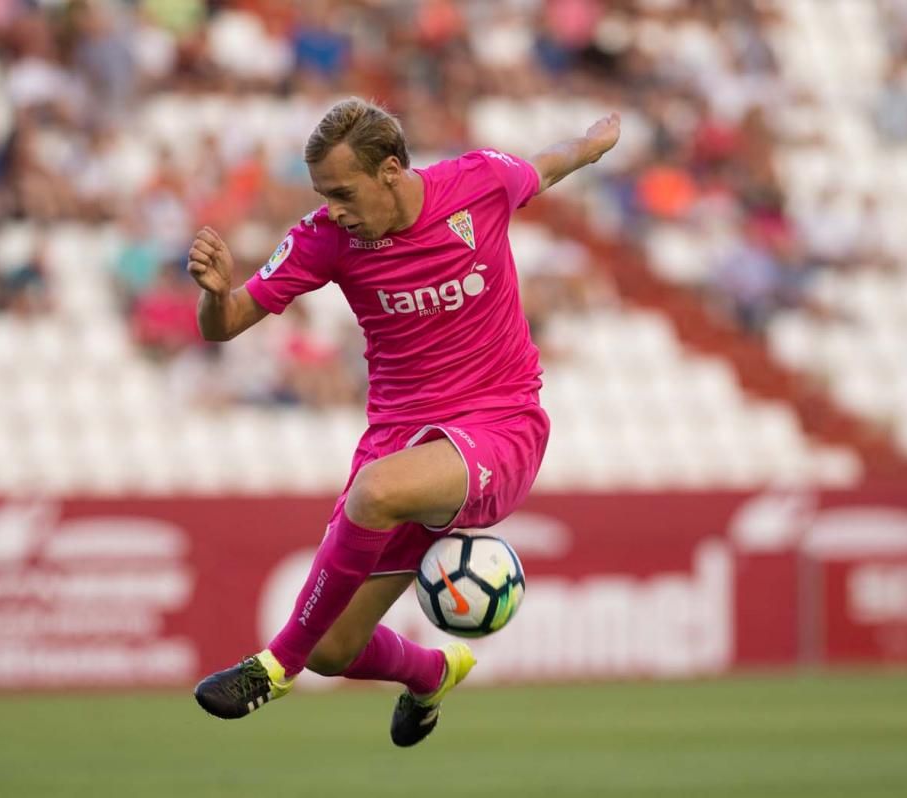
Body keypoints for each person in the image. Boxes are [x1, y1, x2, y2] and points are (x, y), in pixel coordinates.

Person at [188, 97, 620, 745]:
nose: (332, 207)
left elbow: (547, 166)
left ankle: (275, 664)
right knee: (335, 648)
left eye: (342, 191)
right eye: (322, 194)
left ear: (390, 170)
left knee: (377, 492)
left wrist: (592, 143)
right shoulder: (324, 239)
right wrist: (215, 296)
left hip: (499, 425)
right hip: (400, 439)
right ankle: (432, 672)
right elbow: (226, 327)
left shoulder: (477, 184)